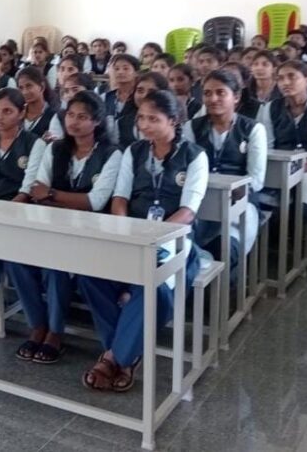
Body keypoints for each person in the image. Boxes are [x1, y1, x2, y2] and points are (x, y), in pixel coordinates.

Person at [79, 90, 205, 393]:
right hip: (130, 233)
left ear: (173, 121)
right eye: (141, 118)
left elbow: (187, 212)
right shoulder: (134, 151)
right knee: (89, 275)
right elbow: (120, 198)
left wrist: (151, 237)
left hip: (172, 238)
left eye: (153, 119)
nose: (144, 125)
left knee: (156, 286)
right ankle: (127, 352)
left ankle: (114, 356)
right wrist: (127, 232)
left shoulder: (194, 155)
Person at [25, 91, 121, 363]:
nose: (74, 122)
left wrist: (53, 195)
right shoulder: (54, 149)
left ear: (97, 122)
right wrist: (62, 200)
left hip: (93, 232)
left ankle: (55, 331)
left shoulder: (111, 154)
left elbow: (95, 201)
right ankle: (38, 325)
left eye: (82, 117)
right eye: (70, 115)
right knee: (16, 261)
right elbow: (36, 190)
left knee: (56, 264)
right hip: (54, 227)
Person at [0, 88, 48, 348]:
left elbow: (27, 189)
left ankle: (37, 322)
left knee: (18, 263)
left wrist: (5, 216)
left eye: (7, 111)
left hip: (19, 214)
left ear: (21, 113)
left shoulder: (34, 143)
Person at [183, 69, 267, 279]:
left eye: (221, 93)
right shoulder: (192, 127)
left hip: (240, 202)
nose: (213, 98)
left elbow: (255, 180)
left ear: (236, 97)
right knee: (184, 244)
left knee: (227, 248)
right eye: (208, 93)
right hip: (199, 200)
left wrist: (228, 192)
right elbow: (185, 170)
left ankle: (219, 298)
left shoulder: (253, 129)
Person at [258, 60, 307, 217]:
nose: (285, 82)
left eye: (292, 77)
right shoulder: (270, 108)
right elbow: (267, 148)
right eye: (280, 78)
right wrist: (280, 174)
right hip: (278, 171)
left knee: (301, 207)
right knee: (261, 205)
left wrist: (295, 173)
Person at [117, 72, 170, 150]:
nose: (144, 96)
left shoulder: (170, 122)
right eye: (140, 91)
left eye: (151, 92)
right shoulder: (122, 122)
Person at [17, 66, 57, 137]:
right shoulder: (18, 115)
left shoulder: (54, 115)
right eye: (21, 88)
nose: (24, 92)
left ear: (42, 87)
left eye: (29, 86)